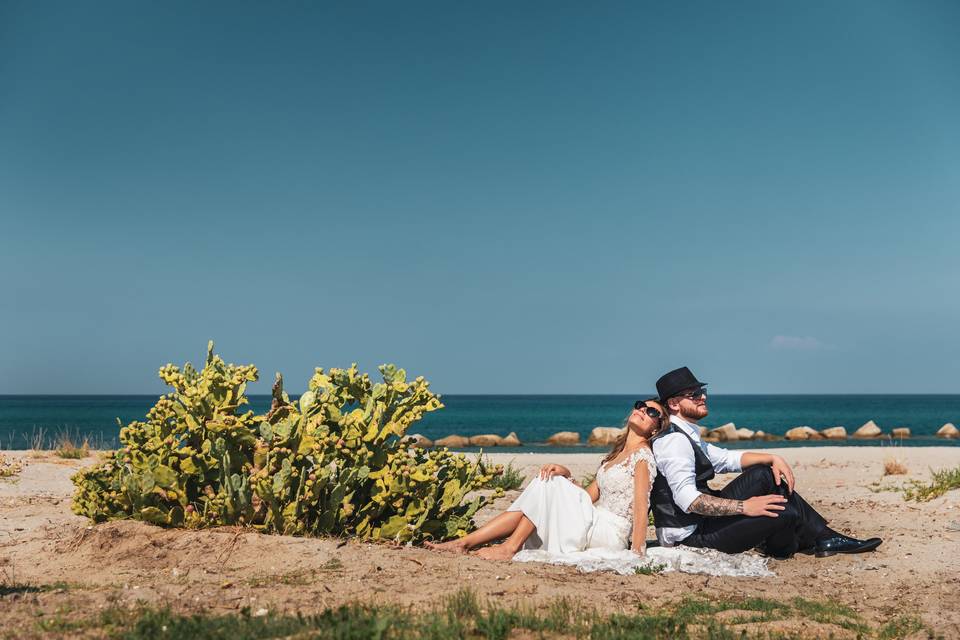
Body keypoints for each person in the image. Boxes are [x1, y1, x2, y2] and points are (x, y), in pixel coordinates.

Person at [650, 366, 883, 559]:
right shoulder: (675, 442)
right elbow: (688, 500)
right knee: (785, 514)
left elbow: (725, 459)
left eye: (702, 391)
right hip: (688, 537)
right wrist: (745, 507)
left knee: (764, 473)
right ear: (674, 404)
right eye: (694, 395)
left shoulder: (684, 434)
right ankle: (799, 542)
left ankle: (823, 537)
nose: (703, 397)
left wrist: (774, 457)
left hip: (702, 522)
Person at [425, 399, 669, 559]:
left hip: (610, 532)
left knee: (548, 485)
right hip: (593, 520)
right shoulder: (615, 456)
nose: (641, 410)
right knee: (548, 480)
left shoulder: (642, 458)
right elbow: (586, 497)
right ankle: (465, 543)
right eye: (640, 405)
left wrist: (637, 551)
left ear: (655, 429)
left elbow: (640, 506)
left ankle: (507, 547)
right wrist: (566, 474)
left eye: (651, 412)